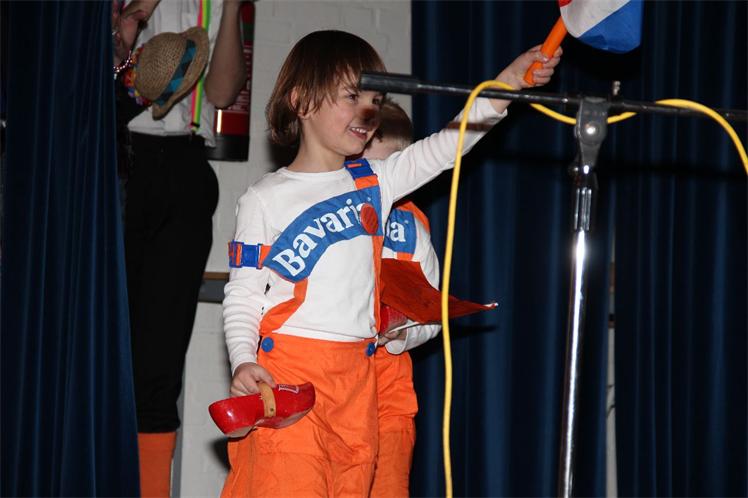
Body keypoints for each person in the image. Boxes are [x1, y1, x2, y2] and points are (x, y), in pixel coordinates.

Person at [220, 29, 560, 497]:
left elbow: (448, 145)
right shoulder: (264, 198)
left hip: (358, 389)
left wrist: (508, 83)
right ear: (301, 101)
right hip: (291, 381)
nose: (368, 110)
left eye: (375, 99)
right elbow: (242, 294)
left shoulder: (377, 183)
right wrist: (242, 358)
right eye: (352, 96)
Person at [113, 0, 246, 496]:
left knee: (160, 365)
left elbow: (223, 92)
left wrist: (231, 7)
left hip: (185, 165)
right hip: (117, 156)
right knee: (103, 348)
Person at [365, 99, 440, 497]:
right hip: (329, 393)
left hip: (389, 400)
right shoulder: (327, 214)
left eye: (391, 167)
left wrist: (402, 333)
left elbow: (432, 315)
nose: (381, 180)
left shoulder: (413, 228)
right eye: (369, 168)